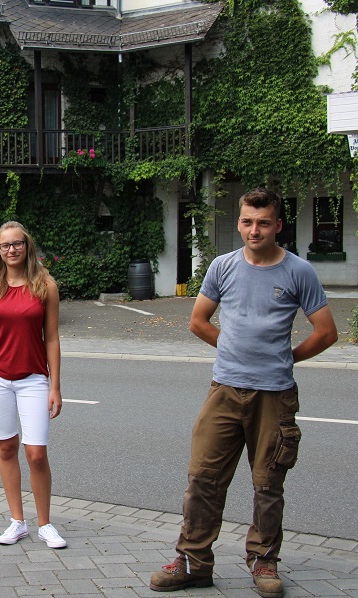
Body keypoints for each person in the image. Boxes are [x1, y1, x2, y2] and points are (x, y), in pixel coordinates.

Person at [150, 188, 338, 598]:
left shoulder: (298, 271)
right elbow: (199, 321)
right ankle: (193, 562)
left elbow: (326, 332)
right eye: (247, 221)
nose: (255, 230)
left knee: (268, 484)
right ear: (239, 222)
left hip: (275, 395)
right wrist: (234, 349)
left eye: (264, 222)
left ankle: (264, 560)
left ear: (277, 226)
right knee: (203, 478)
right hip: (225, 390)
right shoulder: (223, 266)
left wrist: (286, 358)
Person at [0, 221, 67, 549]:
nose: (11, 250)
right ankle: (17, 521)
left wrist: (55, 386)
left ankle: (45, 524)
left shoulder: (45, 285)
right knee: (6, 448)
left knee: (36, 453)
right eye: (4, 245)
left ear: (27, 246)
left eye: (17, 244)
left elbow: (52, 339)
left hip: (33, 379)